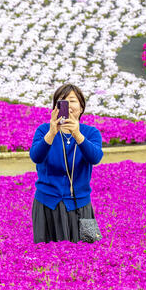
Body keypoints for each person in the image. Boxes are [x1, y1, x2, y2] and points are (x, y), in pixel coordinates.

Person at [30, 84, 104, 243]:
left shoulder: (91, 132)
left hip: (80, 205)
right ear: (55, 108)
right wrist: (52, 133)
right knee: (48, 256)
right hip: (47, 204)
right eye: (62, 101)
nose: (68, 106)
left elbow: (95, 158)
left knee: (87, 253)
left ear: (81, 107)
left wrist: (77, 134)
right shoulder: (43, 130)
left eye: (72, 101)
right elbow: (36, 156)